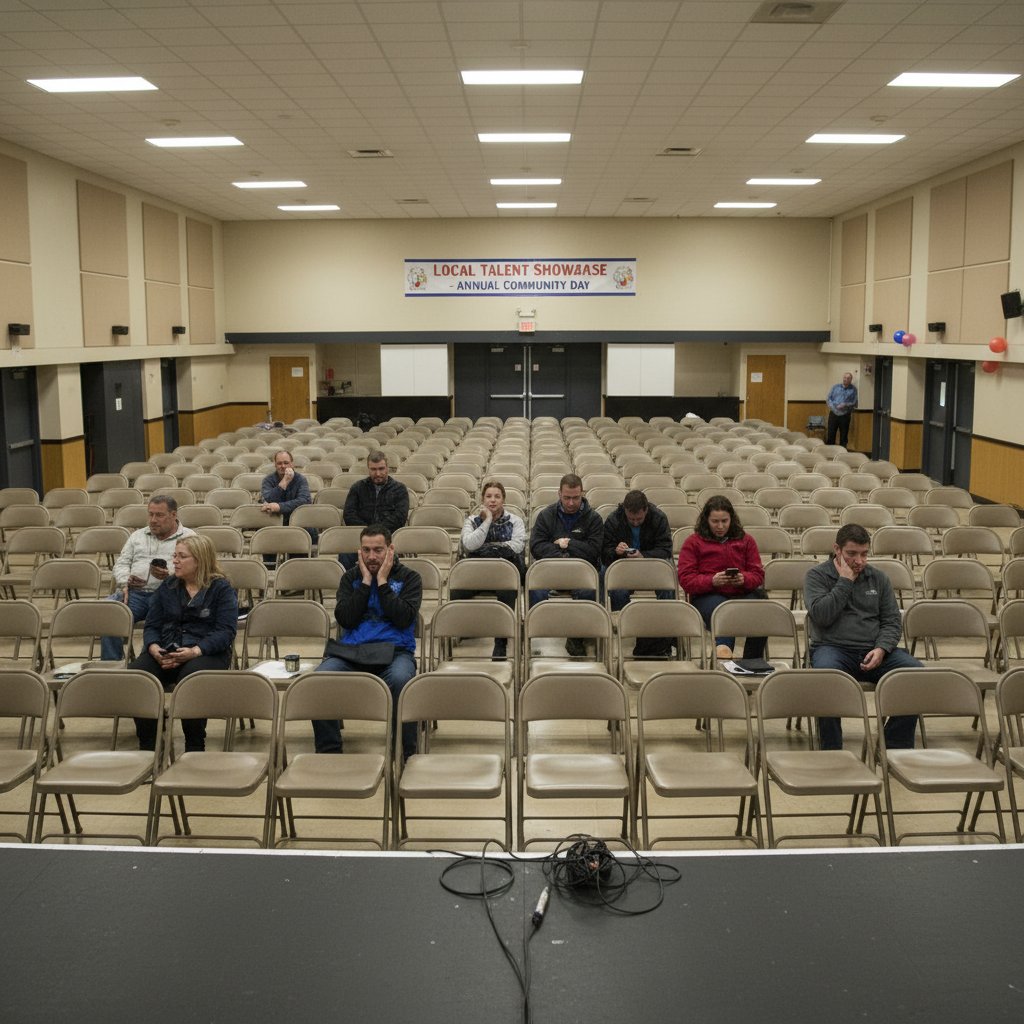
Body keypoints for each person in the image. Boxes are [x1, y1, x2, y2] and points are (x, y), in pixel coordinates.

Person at [804, 523, 921, 751]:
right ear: (837, 550)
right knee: (826, 678)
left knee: (915, 675)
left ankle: (892, 746)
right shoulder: (817, 576)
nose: (859, 561)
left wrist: (882, 649)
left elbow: (891, 622)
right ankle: (832, 749)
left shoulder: (878, 578)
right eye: (852, 554)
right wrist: (844, 582)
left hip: (874, 651)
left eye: (864, 554)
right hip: (832, 648)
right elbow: (821, 615)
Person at [312, 524, 421, 761]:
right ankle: (328, 754)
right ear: (359, 551)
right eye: (366, 550)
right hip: (353, 652)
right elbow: (346, 619)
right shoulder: (350, 578)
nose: (372, 556)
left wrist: (381, 583)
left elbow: (404, 618)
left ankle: (405, 755)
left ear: (390, 550)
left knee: (403, 682)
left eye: (378, 550)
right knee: (318, 680)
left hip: (395, 652)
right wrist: (364, 583)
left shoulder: (410, 578)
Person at [130, 533, 238, 754]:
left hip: (206, 652)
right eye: (175, 556)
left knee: (192, 678)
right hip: (166, 650)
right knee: (137, 677)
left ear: (199, 560)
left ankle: (194, 746)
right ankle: (149, 748)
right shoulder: (168, 586)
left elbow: (226, 632)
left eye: (182, 557)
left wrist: (194, 651)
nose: (175, 561)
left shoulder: (221, 589)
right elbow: (151, 625)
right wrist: (154, 648)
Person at [100, 496, 193, 662]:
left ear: (173, 515)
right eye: (150, 515)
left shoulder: (189, 537)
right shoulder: (137, 536)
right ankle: (112, 666)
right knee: (110, 613)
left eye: (159, 515)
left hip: (171, 595)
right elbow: (121, 564)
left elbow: (196, 567)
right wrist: (125, 580)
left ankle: (147, 664)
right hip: (136, 594)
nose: (153, 520)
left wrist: (170, 574)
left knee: (161, 624)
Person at [677, 495, 766, 661]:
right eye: (715, 521)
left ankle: (751, 663)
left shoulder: (746, 541)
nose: (720, 526)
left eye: (725, 521)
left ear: (732, 519)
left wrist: (743, 579)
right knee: (725, 613)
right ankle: (723, 662)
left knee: (763, 612)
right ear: (706, 520)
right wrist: (712, 581)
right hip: (707, 595)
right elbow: (686, 579)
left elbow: (757, 574)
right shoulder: (694, 542)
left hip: (741, 592)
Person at [450, 480, 526, 661]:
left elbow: (516, 547)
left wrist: (484, 549)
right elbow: (469, 544)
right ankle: (466, 629)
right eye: (489, 496)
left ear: (503, 499)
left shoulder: (515, 521)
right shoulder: (472, 521)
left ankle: (500, 642)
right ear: (483, 499)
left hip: (503, 574)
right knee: (456, 591)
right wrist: (487, 521)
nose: (493, 500)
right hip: (477, 574)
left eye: (497, 496)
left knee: (508, 592)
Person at [529, 473, 604, 656]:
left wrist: (567, 543)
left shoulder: (593, 518)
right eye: (567, 498)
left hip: (581, 572)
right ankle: (535, 634)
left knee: (589, 591)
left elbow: (594, 550)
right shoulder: (546, 515)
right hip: (551, 570)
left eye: (575, 498)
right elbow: (536, 547)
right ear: (559, 494)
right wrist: (561, 553)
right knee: (534, 590)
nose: (571, 503)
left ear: (582, 494)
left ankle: (576, 636)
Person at [601, 489, 674, 656]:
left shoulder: (658, 518)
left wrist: (643, 555)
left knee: (668, 581)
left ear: (646, 510)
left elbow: (665, 550)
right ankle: (627, 623)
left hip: (651, 566)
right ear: (625, 511)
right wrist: (616, 551)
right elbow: (603, 553)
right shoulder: (614, 519)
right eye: (631, 518)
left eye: (639, 519)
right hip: (623, 566)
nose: (634, 522)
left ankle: (665, 625)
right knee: (612, 581)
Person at [341, 450, 410, 568]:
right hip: (362, 537)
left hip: (388, 537)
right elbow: (349, 514)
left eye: (381, 469)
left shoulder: (399, 489)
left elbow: (400, 517)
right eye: (373, 469)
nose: (378, 473)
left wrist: (377, 532)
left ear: (387, 468)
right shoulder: (357, 488)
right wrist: (367, 532)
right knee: (345, 554)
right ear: (368, 469)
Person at [260, 449, 312, 525]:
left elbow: (304, 501)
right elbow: (270, 499)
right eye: (279, 463)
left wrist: (280, 507)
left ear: (292, 464)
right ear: (275, 465)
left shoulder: (301, 479)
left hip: (298, 520)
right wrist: (284, 481)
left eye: (286, 463)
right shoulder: (268, 480)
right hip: (274, 520)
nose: (283, 466)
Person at [826, 371, 858, 447]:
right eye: (844, 377)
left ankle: (842, 454)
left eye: (848, 378)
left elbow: (855, 402)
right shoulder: (835, 387)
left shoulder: (853, 389)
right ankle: (830, 453)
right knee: (831, 434)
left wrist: (845, 404)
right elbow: (828, 398)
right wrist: (832, 407)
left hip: (845, 415)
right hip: (833, 414)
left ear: (851, 380)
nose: (845, 379)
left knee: (844, 436)